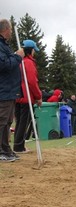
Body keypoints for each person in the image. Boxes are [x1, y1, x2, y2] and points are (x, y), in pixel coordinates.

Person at [0, 19, 25, 162]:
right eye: (9, 28)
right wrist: (17, 56)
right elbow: (3, 65)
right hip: (3, 90)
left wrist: (14, 55)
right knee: (2, 121)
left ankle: (5, 148)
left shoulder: (5, 45)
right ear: (5, 29)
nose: (10, 31)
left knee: (8, 121)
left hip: (9, 90)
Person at [13, 39, 42, 153]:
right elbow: (32, 81)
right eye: (34, 50)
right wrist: (38, 96)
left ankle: (17, 145)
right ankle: (19, 146)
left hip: (18, 95)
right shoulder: (28, 62)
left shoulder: (18, 62)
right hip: (26, 97)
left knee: (19, 122)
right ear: (31, 50)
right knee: (23, 122)